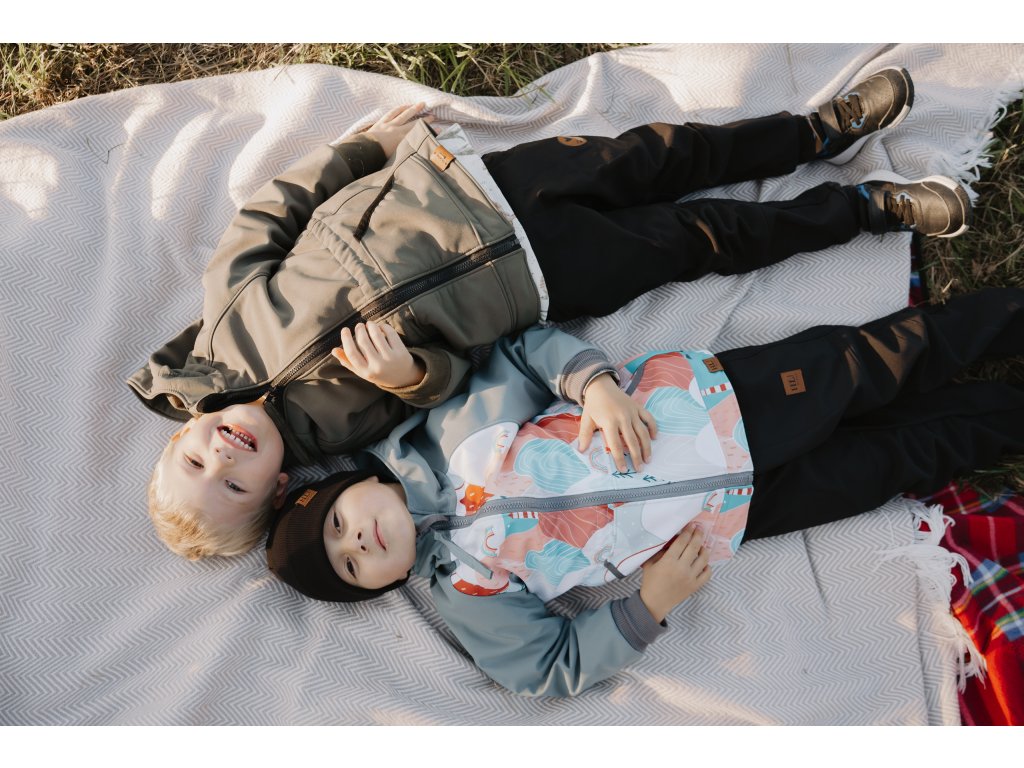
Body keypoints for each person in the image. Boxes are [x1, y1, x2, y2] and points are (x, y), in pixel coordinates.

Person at [129, 67, 973, 558]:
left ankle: (813, 132)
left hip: (470, 192)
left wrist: (362, 149)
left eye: (195, 459)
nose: (222, 457)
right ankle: (866, 209)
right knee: (702, 239)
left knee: (666, 154)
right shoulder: (340, 433)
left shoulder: (225, 323)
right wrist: (410, 373)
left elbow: (271, 217)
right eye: (232, 485)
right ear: (278, 488)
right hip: (535, 285)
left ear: (183, 432)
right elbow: (457, 381)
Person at [265, 287, 1024, 697]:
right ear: (381, 586)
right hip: (729, 515)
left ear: (355, 483)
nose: (356, 541)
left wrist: (592, 386)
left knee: (875, 361)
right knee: (901, 457)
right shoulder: (469, 596)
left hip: (711, 404)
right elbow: (547, 666)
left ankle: (1004, 320)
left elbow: (521, 354)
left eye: (338, 523)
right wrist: (647, 604)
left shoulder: (441, 432)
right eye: (351, 566)